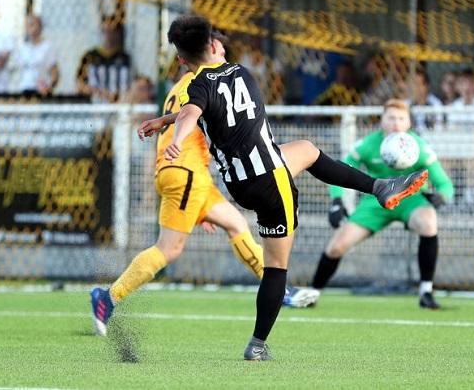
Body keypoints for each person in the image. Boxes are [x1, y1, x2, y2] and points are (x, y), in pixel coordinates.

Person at [139, 16, 428, 361]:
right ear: (215, 46)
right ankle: (257, 345)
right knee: (276, 268)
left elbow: (192, 111)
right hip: (270, 179)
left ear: (182, 60)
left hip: (242, 182)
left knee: (306, 150)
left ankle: (380, 186)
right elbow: (194, 112)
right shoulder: (242, 72)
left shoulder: (195, 87)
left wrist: (167, 124)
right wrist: (177, 135)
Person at [90, 62, 320, 336]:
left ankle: (280, 290)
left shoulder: (180, 87)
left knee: (236, 223)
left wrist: (199, 204)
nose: (221, 56)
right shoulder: (203, 83)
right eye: (216, 49)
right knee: (168, 249)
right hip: (187, 172)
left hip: (187, 173)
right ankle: (108, 298)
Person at [286, 100, 453, 310]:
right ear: (382, 120)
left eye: (401, 118)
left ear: (409, 122)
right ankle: (311, 295)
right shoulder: (367, 145)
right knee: (337, 246)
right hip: (375, 201)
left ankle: (426, 293)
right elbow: (338, 169)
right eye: (391, 118)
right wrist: (337, 201)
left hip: (411, 200)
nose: (396, 123)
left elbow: (444, 183)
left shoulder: (419, 147)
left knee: (429, 223)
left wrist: (442, 197)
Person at [76, 14, 131, 103]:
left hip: (119, 102)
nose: (108, 35)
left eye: (112, 31)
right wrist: (97, 92)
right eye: (105, 31)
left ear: (118, 33)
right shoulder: (90, 56)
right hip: (96, 102)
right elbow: (79, 84)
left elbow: (131, 84)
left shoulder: (125, 57)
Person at [16, 15, 59, 97]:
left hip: (41, 90)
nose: (29, 28)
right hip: (25, 88)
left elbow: (55, 74)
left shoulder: (47, 47)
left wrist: (49, 89)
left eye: (32, 24)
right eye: (27, 25)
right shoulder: (23, 48)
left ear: (40, 27)